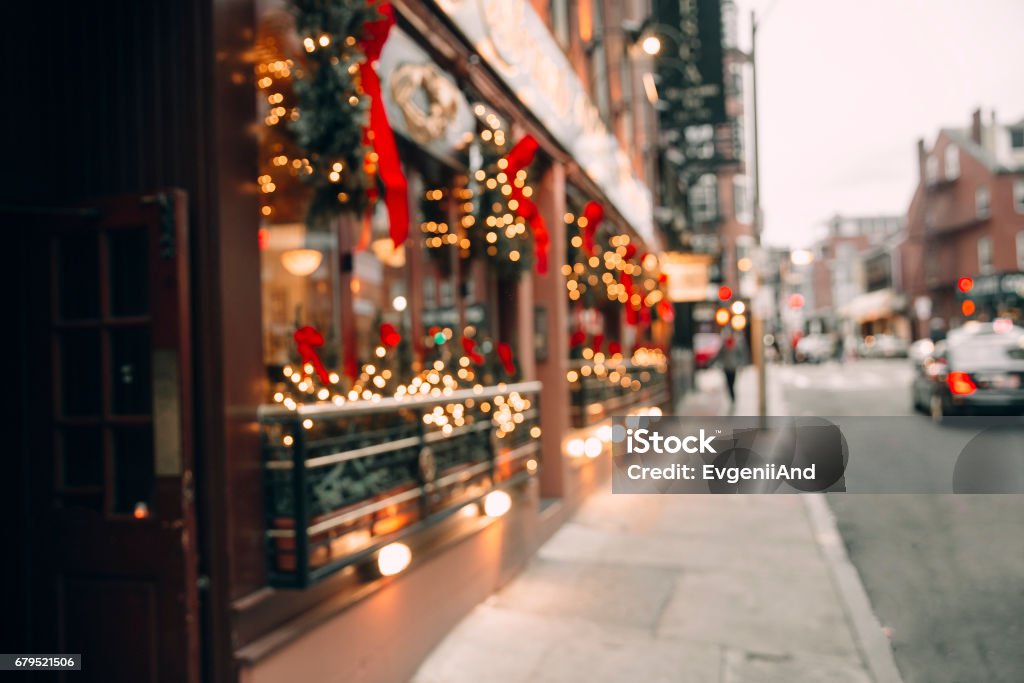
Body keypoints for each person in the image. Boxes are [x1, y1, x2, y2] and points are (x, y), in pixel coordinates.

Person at [719, 326, 748, 404]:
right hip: (726, 367)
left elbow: (741, 355)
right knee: (728, 383)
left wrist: (741, 364)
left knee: (732, 383)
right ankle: (732, 397)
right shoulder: (724, 344)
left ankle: (733, 397)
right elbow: (719, 355)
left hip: (733, 367)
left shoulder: (736, 344)